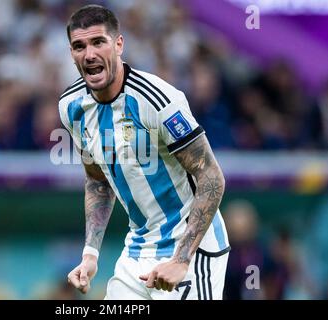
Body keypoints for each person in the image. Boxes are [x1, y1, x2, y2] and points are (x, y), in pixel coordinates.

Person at [59, 4, 230, 300]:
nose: (89, 55)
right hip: (137, 250)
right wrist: (90, 254)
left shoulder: (159, 100)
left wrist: (180, 260)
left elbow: (211, 176)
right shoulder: (71, 106)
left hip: (191, 249)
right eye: (79, 46)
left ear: (119, 44)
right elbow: (98, 180)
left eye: (98, 42)